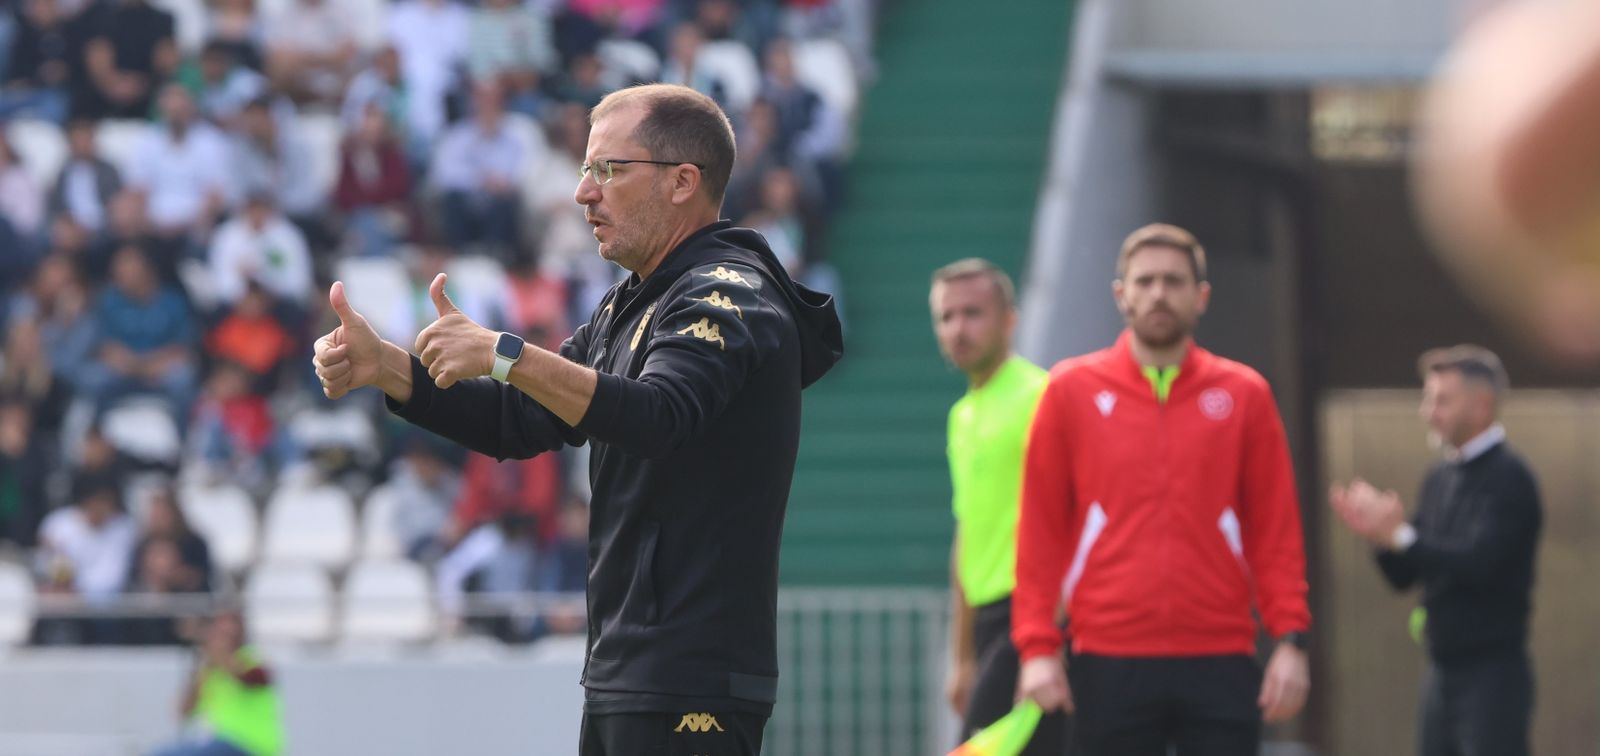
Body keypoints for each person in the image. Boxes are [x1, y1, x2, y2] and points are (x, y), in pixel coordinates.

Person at [311, 83, 843, 755]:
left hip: (691, 676)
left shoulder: (726, 293)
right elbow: (519, 421)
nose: (582, 193)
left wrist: (505, 351)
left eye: (608, 170)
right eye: (585, 170)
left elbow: (659, 415)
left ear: (683, 182)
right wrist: (387, 368)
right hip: (626, 668)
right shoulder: (631, 303)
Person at [1013, 223, 1312, 755]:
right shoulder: (1070, 391)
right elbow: (1040, 530)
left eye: (1173, 282)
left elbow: (1275, 530)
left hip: (1220, 656)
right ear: (1120, 294)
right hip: (1107, 657)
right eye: (1145, 280)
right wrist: (1037, 645)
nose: (1158, 293)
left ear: (1201, 297)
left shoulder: (1244, 394)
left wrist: (1290, 640)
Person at [1330, 345, 1540, 756]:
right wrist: (1381, 538)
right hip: (1441, 672)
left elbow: (1480, 564)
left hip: (1493, 672)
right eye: (1427, 398)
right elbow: (1407, 575)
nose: (1429, 411)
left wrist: (1403, 536)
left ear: (1482, 405)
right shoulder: (1440, 476)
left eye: (1442, 399)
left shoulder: (1510, 478)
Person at [929, 258, 1064, 754]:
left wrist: (1050, 631)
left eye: (972, 313)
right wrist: (962, 657)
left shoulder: (1042, 396)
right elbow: (969, 533)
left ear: (1010, 319)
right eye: (946, 317)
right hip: (989, 625)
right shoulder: (961, 417)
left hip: (1033, 614)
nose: (958, 329)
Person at [148, 609, 284, 756]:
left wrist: (214, 650)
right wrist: (201, 668)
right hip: (222, 743)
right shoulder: (212, 670)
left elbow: (251, 679)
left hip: (252, 745)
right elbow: (184, 712)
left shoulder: (252, 658)